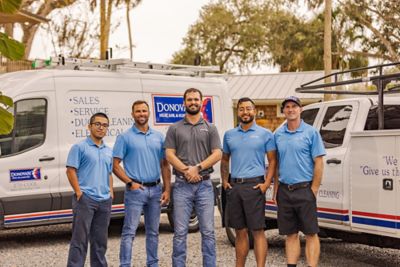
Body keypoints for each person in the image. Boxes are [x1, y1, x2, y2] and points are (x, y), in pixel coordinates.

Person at [164, 88, 222, 267]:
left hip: (204, 186)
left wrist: (197, 168)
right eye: (189, 100)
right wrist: (186, 171)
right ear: (184, 103)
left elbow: (217, 153)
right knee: (180, 232)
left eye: (196, 99)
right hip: (182, 186)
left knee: (208, 232)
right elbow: (169, 154)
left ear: (201, 101)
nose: (193, 102)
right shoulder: (174, 128)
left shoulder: (210, 128)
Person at [113, 100, 171, 267]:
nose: (141, 114)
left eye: (144, 111)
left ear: (149, 113)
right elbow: (115, 165)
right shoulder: (124, 137)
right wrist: (130, 183)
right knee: (129, 232)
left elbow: (165, 164)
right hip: (136, 191)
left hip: (156, 190)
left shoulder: (159, 137)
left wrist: (167, 189)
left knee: (153, 232)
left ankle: (152, 263)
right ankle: (125, 264)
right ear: (132, 114)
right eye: (138, 111)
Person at [221, 97, 277, 267]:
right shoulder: (229, 135)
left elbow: (273, 161)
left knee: (258, 231)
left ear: (254, 110)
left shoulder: (265, 134)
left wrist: (267, 183)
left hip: (255, 186)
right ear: (238, 112)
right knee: (240, 231)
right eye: (241, 109)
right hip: (235, 186)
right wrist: (225, 181)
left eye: (248, 109)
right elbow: (224, 160)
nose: (245, 112)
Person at [274, 96, 326, 267]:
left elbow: (318, 162)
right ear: (283, 111)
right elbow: (276, 164)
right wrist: (275, 191)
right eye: (287, 107)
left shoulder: (311, 132)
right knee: (291, 234)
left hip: (305, 189)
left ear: (300, 109)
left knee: (311, 233)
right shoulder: (278, 134)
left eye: (294, 106)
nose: (290, 109)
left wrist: (314, 189)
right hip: (284, 191)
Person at [66, 112, 114, 267]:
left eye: (105, 125)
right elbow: (71, 170)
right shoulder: (79, 147)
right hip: (86, 200)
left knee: (100, 242)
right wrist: (79, 193)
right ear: (90, 126)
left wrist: (111, 192)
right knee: (79, 241)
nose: (101, 128)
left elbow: (109, 173)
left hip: (104, 201)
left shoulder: (108, 150)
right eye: (98, 124)